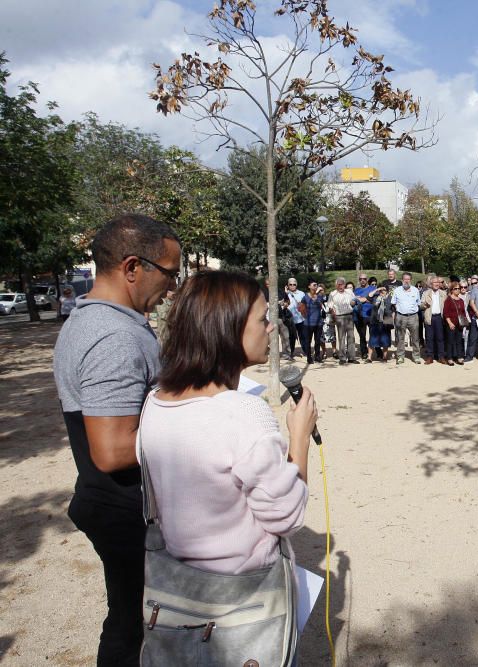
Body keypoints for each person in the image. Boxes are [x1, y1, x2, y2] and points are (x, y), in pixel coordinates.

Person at [138, 272, 315, 659]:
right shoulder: (242, 412)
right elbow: (287, 516)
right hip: (242, 604)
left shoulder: (156, 401)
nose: (272, 327)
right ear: (228, 327)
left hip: (177, 594)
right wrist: (299, 437)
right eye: (263, 318)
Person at [53, 214, 181, 665]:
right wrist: (194, 424)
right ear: (132, 267)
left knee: (130, 619)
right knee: (137, 629)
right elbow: (111, 451)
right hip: (127, 511)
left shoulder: (101, 322)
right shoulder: (113, 336)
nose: (172, 286)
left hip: (121, 507)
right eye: (169, 273)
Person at [391, 272, 422, 364]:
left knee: (415, 338)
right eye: (405, 279)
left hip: (413, 316)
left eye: (408, 279)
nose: (406, 281)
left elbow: (418, 303)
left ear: (411, 280)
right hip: (400, 316)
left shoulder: (415, 290)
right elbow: (393, 302)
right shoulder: (397, 290)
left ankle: (416, 356)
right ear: (402, 280)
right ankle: (400, 356)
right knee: (400, 338)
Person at [328, 277, 357, 364]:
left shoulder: (349, 292)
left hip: (349, 316)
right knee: (341, 337)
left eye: (342, 284)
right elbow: (330, 306)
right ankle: (342, 358)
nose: (340, 286)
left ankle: (352, 357)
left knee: (351, 337)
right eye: (339, 284)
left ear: (344, 284)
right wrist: (333, 314)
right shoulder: (333, 294)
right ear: (336, 285)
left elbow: (354, 300)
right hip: (339, 317)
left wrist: (353, 303)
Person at [420, 275, 447, 364]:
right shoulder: (426, 293)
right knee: (429, 338)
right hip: (429, 317)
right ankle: (430, 357)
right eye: (435, 282)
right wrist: (425, 305)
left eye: (438, 282)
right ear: (431, 284)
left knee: (440, 338)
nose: (437, 284)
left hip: (440, 317)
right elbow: (421, 305)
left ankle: (441, 356)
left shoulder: (443, 293)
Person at [443, 281, 469, 364]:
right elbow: (445, 313)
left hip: (459, 324)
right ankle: (449, 358)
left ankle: (459, 357)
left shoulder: (461, 300)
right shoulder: (448, 300)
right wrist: (450, 323)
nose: (458, 290)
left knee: (459, 341)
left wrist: (464, 322)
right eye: (456, 288)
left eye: (459, 288)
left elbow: (463, 313)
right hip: (451, 324)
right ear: (451, 290)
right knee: (450, 341)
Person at [367, 279, 391, 362]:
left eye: (384, 290)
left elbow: (394, 310)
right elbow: (368, 296)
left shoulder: (390, 299)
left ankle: (384, 357)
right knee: (372, 339)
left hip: (387, 320)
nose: (382, 291)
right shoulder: (375, 297)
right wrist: (377, 289)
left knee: (385, 339)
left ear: (387, 291)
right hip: (375, 320)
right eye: (381, 290)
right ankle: (369, 357)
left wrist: (392, 321)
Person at [302, 281, 327, 364]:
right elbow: (302, 307)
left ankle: (317, 356)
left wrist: (317, 294)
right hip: (308, 323)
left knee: (317, 341)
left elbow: (320, 304)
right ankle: (309, 357)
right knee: (308, 341)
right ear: (309, 286)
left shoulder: (319, 296)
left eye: (316, 285)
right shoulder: (305, 296)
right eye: (314, 285)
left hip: (318, 322)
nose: (316, 286)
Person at [285, 278, 307, 360]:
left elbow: (306, 305)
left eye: (294, 284)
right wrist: (286, 294)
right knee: (291, 337)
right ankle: (290, 353)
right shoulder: (285, 293)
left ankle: (306, 351)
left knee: (303, 336)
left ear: (296, 285)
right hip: (290, 319)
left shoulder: (301, 293)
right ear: (287, 285)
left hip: (301, 318)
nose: (292, 286)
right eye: (290, 284)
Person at [354, 273, 372, 358]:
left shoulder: (373, 288)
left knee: (373, 334)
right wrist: (367, 299)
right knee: (362, 335)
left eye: (364, 279)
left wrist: (361, 299)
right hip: (360, 316)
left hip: (371, 315)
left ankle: (377, 351)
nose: (362, 280)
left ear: (367, 279)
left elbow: (373, 300)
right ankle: (364, 352)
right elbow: (354, 301)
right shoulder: (356, 290)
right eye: (360, 279)